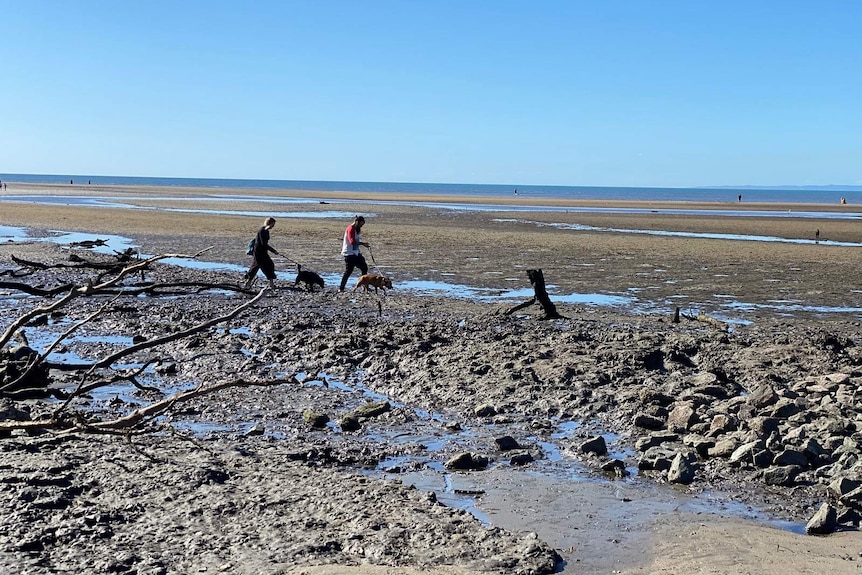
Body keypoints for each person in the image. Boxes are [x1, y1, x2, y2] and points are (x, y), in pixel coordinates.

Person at [244, 217, 280, 290]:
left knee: (264, 266)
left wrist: (273, 250)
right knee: (262, 266)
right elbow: (263, 243)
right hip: (259, 252)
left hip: (262, 251)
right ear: (269, 223)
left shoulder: (266, 231)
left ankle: (249, 283)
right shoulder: (262, 231)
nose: (273, 226)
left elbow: (264, 244)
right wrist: (273, 251)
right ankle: (248, 282)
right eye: (273, 224)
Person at [339, 215, 370, 292]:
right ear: (357, 222)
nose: (361, 226)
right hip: (349, 253)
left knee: (364, 267)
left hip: (355, 252)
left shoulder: (356, 229)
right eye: (361, 224)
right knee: (349, 271)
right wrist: (363, 244)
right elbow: (352, 242)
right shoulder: (351, 228)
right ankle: (341, 288)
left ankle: (365, 286)